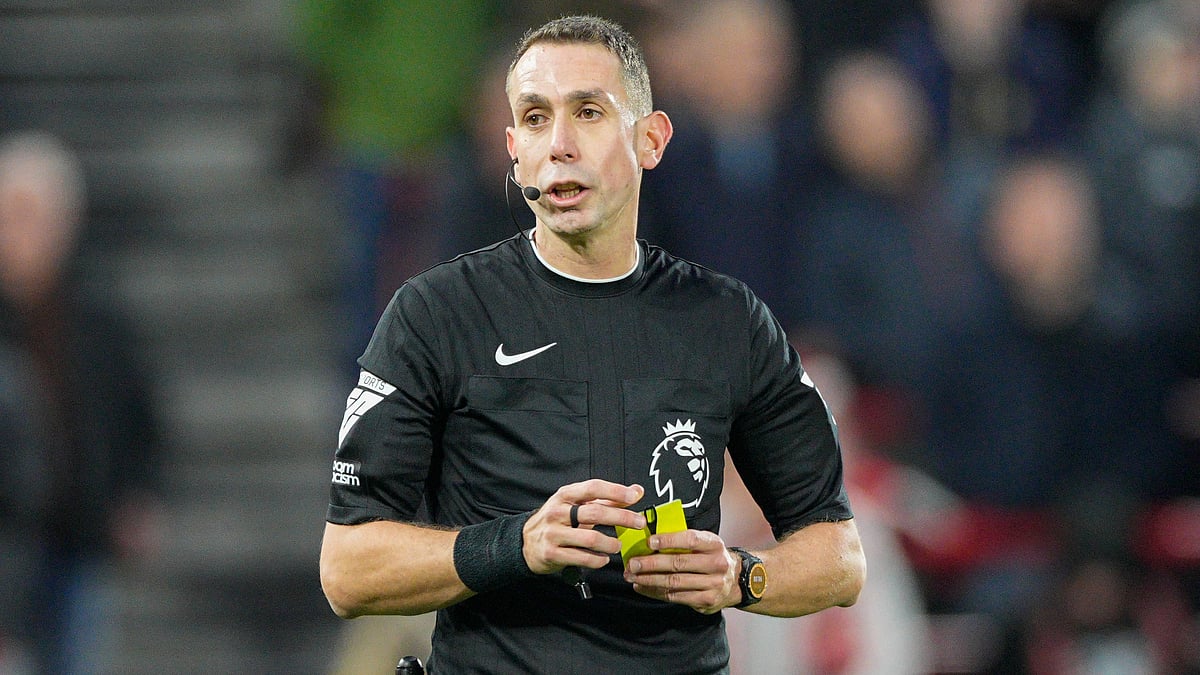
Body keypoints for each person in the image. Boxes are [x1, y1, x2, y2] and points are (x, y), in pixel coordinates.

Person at [319, 15, 865, 674]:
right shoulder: (434, 315)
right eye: (537, 118)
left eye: (588, 112)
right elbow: (346, 569)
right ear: (514, 148)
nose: (561, 144)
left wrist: (741, 578)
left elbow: (839, 554)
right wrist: (514, 544)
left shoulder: (727, 320)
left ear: (651, 140)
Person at [0, 131, 163, 674]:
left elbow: (140, 415)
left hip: (79, 531)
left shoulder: (96, 315)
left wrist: (137, 494)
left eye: (30, 215)